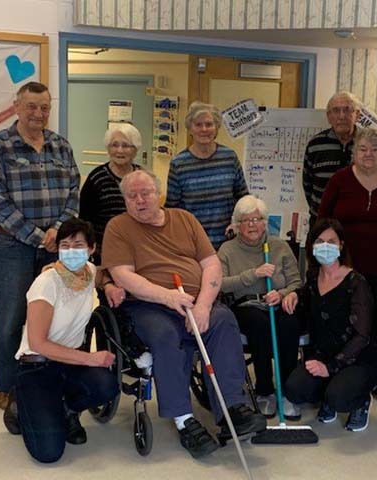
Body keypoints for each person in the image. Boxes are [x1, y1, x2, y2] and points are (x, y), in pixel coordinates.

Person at [102, 169, 266, 459]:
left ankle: (231, 410)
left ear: (159, 194)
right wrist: (167, 297)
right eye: (132, 196)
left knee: (224, 320)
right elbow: (123, 276)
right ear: (125, 200)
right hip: (149, 304)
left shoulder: (185, 219)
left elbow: (211, 264)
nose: (140, 200)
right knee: (166, 334)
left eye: (146, 193)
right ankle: (184, 420)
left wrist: (203, 305)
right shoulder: (118, 227)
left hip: (194, 300)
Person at [0, 81, 80, 410]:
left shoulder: (61, 146)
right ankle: (7, 387)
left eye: (44, 108)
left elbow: (73, 195)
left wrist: (56, 230)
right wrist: (40, 237)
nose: (38, 114)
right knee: (11, 320)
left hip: (56, 246)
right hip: (13, 247)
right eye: (32, 107)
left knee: (56, 318)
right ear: (17, 107)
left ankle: (48, 380)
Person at [2, 218, 120, 463]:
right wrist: (90, 358)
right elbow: (38, 343)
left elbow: (101, 276)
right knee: (49, 453)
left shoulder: (90, 271)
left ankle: (66, 410)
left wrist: (108, 285)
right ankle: (20, 404)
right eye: (64, 245)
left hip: (68, 363)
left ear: (91, 249)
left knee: (107, 385)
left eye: (78, 245)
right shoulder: (47, 282)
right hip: (37, 364)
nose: (71, 251)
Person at [318, 128, 377, 402]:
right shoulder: (340, 180)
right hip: (343, 268)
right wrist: (327, 260)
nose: (368, 153)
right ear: (353, 153)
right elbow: (323, 221)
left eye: (374, 148)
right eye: (362, 148)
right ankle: (340, 372)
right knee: (343, 322)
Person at [282, 218, 377, 432]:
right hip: (321, 354)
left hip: (355, 359)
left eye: (331, 241)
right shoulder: (313, 277)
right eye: (319, 240)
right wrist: (293, 295)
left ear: (341, 245)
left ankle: (360, 401)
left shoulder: (356, 282)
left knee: (339, 397)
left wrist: (330, 368)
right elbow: (306, 300)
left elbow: (362, 336)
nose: (325, 246)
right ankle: (329, 390)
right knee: (294, 390)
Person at [218, 195, 302, 419]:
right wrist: (252, 275)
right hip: (245, 304)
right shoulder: (227, 249)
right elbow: (220, 284)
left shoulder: (279, 246)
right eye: (246, 220)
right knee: (258, 324)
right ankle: (264, 390)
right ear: (237, 225)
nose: (252, 224)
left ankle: (287, 391)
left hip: (276, 301)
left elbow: (296, 281)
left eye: (257, 219)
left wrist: (283, 293)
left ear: (265, 222)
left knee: (290, 325)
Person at [165, 101, 248, 249]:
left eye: (209, 124)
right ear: (190, 129)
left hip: (228, 243)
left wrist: (237, 222)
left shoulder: (229, 157)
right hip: (192, 243)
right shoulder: (179, 164)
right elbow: (172, 209)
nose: (204, 129)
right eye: (198, 124)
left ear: (216, 128)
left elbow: (243, 197)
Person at [79, 123, 142, 307]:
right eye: (115, 145)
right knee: (111, 307)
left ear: (135, 149)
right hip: (107, 258)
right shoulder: (96, 179)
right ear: (108, 148)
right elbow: (85, 222)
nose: (120, 150)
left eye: (126, 145)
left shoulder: (143, 176)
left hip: (139, 256)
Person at [303, 91, 361, 225]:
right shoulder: (315, 145)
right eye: (336, 111)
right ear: (329, 116)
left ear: (357, 115)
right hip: (321, 221)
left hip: (357, 223)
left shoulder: (368, 144)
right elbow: (307, 184)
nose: (341, 116)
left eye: (347, 110)